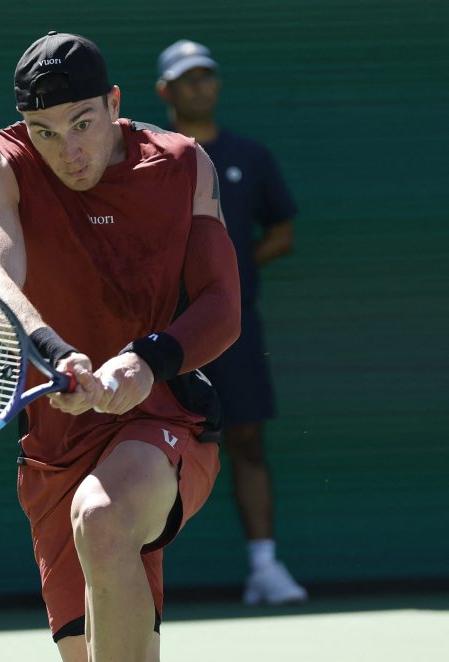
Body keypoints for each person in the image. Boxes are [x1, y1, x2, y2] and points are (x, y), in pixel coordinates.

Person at [0, 31, 381, 662]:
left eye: (84, 123)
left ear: (116, 105)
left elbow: (221, 304)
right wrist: (53, 352)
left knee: (104, 517)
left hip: (163, 419)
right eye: (46, 132)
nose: (68, 150)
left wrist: (145, 361)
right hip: (55, 444)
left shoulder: (182, 162)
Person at [156, 40, 308, 605]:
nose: (199, 86)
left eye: (206, 76)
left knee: (247, 441)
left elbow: (282, 233)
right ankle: (134, 570)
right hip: (164, 333)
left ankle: (264, 569)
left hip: (236, 330)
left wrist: (226, 277)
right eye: (187, 78)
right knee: (149, 445)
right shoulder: (147, 160)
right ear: (166, 90)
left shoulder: (251, 155)